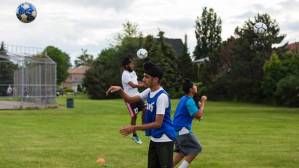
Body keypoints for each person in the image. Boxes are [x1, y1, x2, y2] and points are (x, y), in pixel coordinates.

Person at [106, 62, 176, 168]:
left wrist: (134, 127)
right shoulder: (149, 91)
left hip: (164, 139)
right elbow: (129, 99)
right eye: (144, 76)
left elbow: (158, 123)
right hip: (155, 138)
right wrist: (120, 90)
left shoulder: (162, 96)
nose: (143, 79)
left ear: (156, 79)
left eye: (146, 77)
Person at [173, 79, 207, 168]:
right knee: (197, 148)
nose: (196, 87)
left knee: (182, 152)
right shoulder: (189, 101)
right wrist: (203, 102)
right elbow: (198, 115)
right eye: (194, 85)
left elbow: (193, 113)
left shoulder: (184, 98)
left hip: (176, 130)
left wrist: (199, 108)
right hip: (183, 130)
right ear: (191, 89)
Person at [121, 56, 145, 144]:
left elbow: (136, 82)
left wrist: (144, 82)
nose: (133, 65)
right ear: (127, 65)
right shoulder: (125, 74)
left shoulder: (133, 72)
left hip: (137, 96)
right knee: (134, 116)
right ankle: (134, 135)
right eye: (131, 64)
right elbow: (133, 85)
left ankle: (143, 126)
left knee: (145, 109)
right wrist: (144, 85)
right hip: (129, 99)